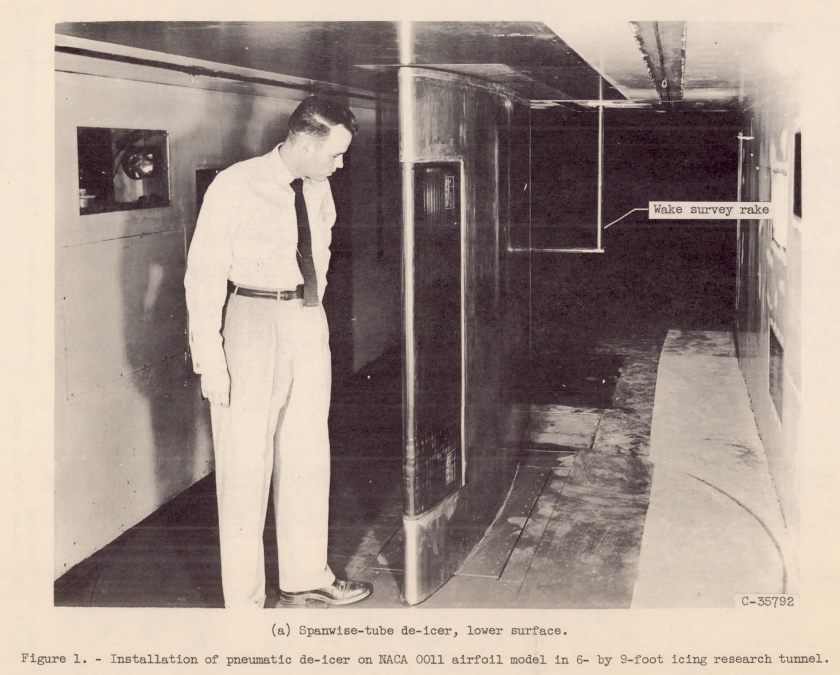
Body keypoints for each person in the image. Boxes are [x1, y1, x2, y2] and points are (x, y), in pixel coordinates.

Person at [184, 97, 372, 608]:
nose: (339, 165)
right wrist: (212, 361)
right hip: (250, 321)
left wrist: (312, 314)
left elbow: (322, 252)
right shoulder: (235, 185)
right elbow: (202, 277)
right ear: (305, 143)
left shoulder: (319, 187)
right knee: (246, 465)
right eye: (334, 154)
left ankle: (305, 575)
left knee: (309, 453)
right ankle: (244, 604)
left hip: (307, 318)